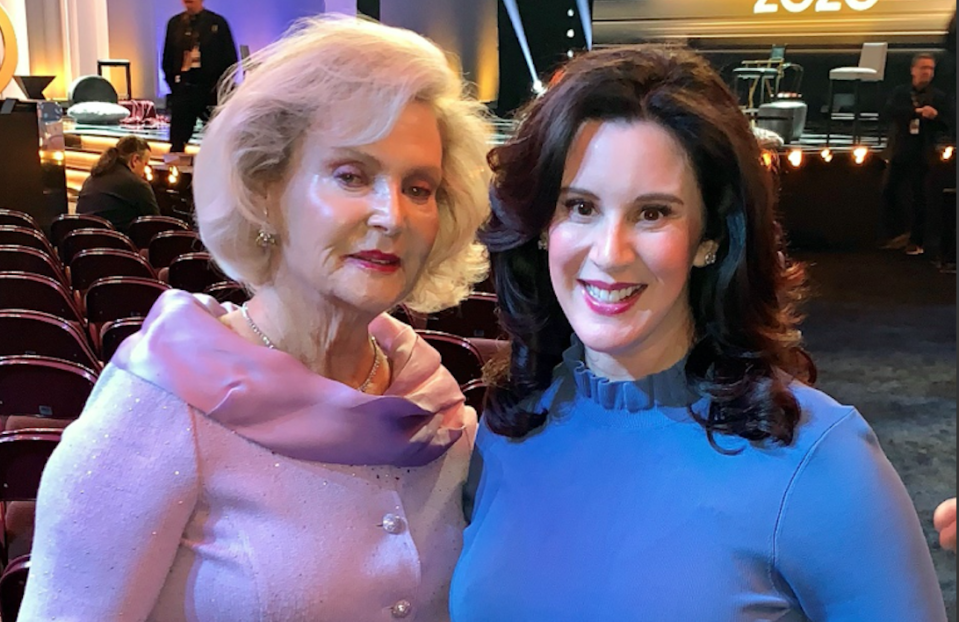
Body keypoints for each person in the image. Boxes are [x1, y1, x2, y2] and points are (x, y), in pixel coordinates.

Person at [450, 46, 948, 621]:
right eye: (581, 206)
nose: (609, 254)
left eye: (653, 213)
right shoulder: (510, 427)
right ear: (541, 227)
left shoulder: (821, 460)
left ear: (711, 236)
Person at [20, 16, 491, 620]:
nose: (391, 214)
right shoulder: (163, 402)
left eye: (419, 187)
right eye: (351, 174)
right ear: (266, 189)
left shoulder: (436, 408)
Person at [879, 53, 951, 256]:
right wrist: (917, 113)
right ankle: (894, 234)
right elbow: (889, 111)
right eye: (923, 68)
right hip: (901, 149)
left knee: (921, 198)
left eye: (930, 69)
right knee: (889, 191)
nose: (927, 72)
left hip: (923, 152)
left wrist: (935, 116)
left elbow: (947, 122)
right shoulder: (900, 93)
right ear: (913, 70)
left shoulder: (938, 97)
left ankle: (916, 240)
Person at [161, 0, 237, 153]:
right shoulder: (175, 24)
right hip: (184, 89)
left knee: (218, 137)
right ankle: (177, 173)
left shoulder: (217, 23)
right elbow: (167, 58)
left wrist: (221, 89)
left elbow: (230, 60)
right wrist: (175, 86)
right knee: (177, 141)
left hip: (210, 91)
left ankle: (216, 171)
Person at [75, 135, 159, 231]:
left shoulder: (92, 178)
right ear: (135, 160)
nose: (144, 171)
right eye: (145, 164)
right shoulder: (137, 185)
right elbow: (155, 225)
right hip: (115, 244)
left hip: (82, 241)